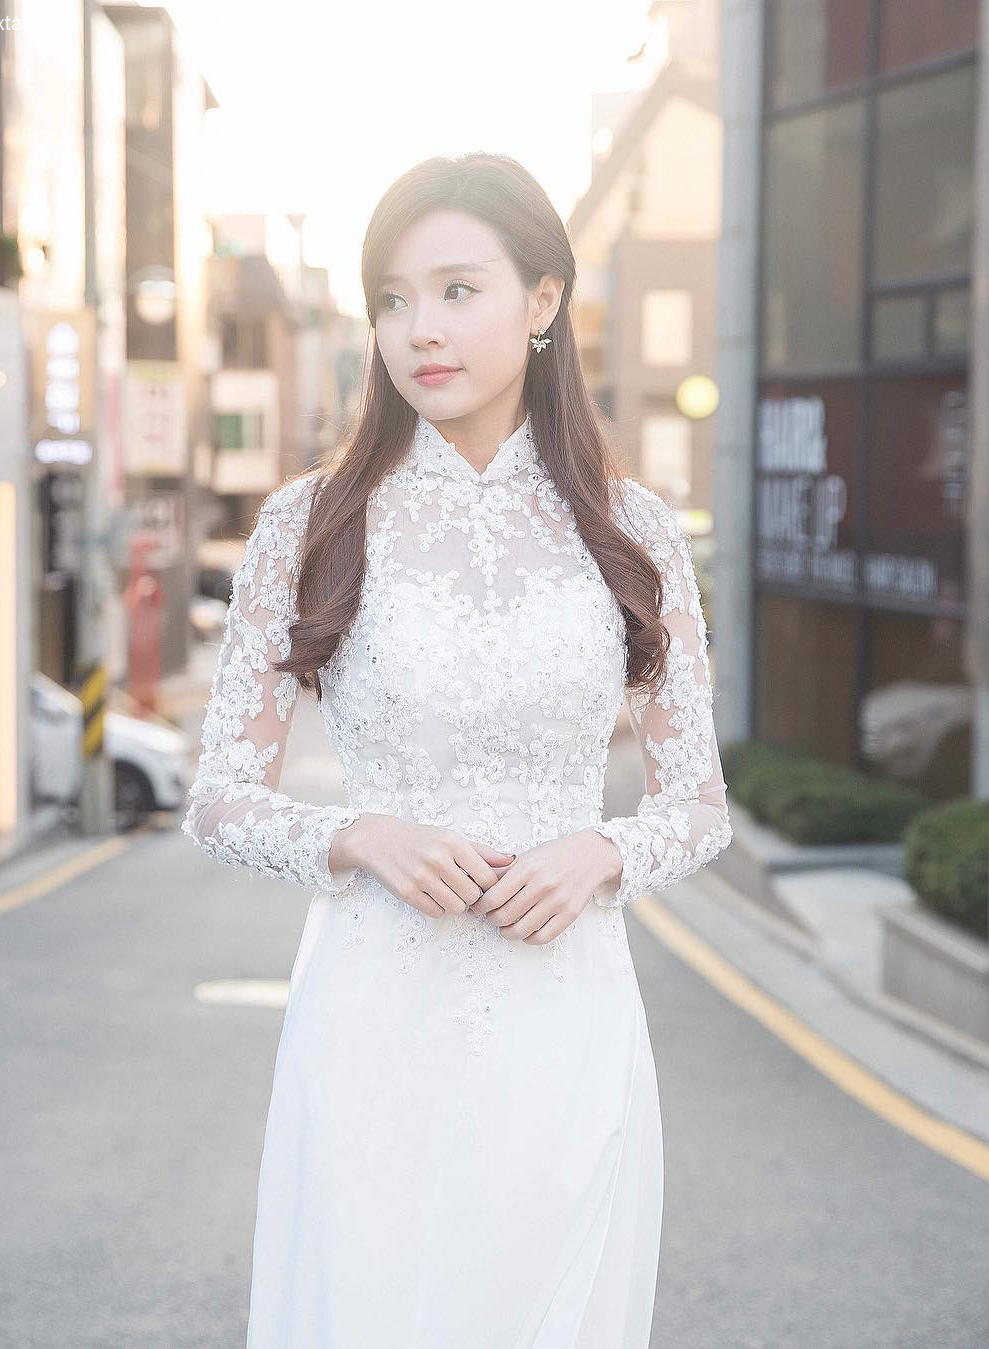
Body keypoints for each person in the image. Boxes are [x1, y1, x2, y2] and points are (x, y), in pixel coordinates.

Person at [182, 151, 733, 1348]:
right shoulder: (307, 523)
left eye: (455, 290)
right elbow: (220, 796)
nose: (417, 329)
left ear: (543, 302)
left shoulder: (633, 530)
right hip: (374, 1010)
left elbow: (699, 805)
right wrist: (355, 832)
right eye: (390, 297)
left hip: (565, 1009)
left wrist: (601, 851)